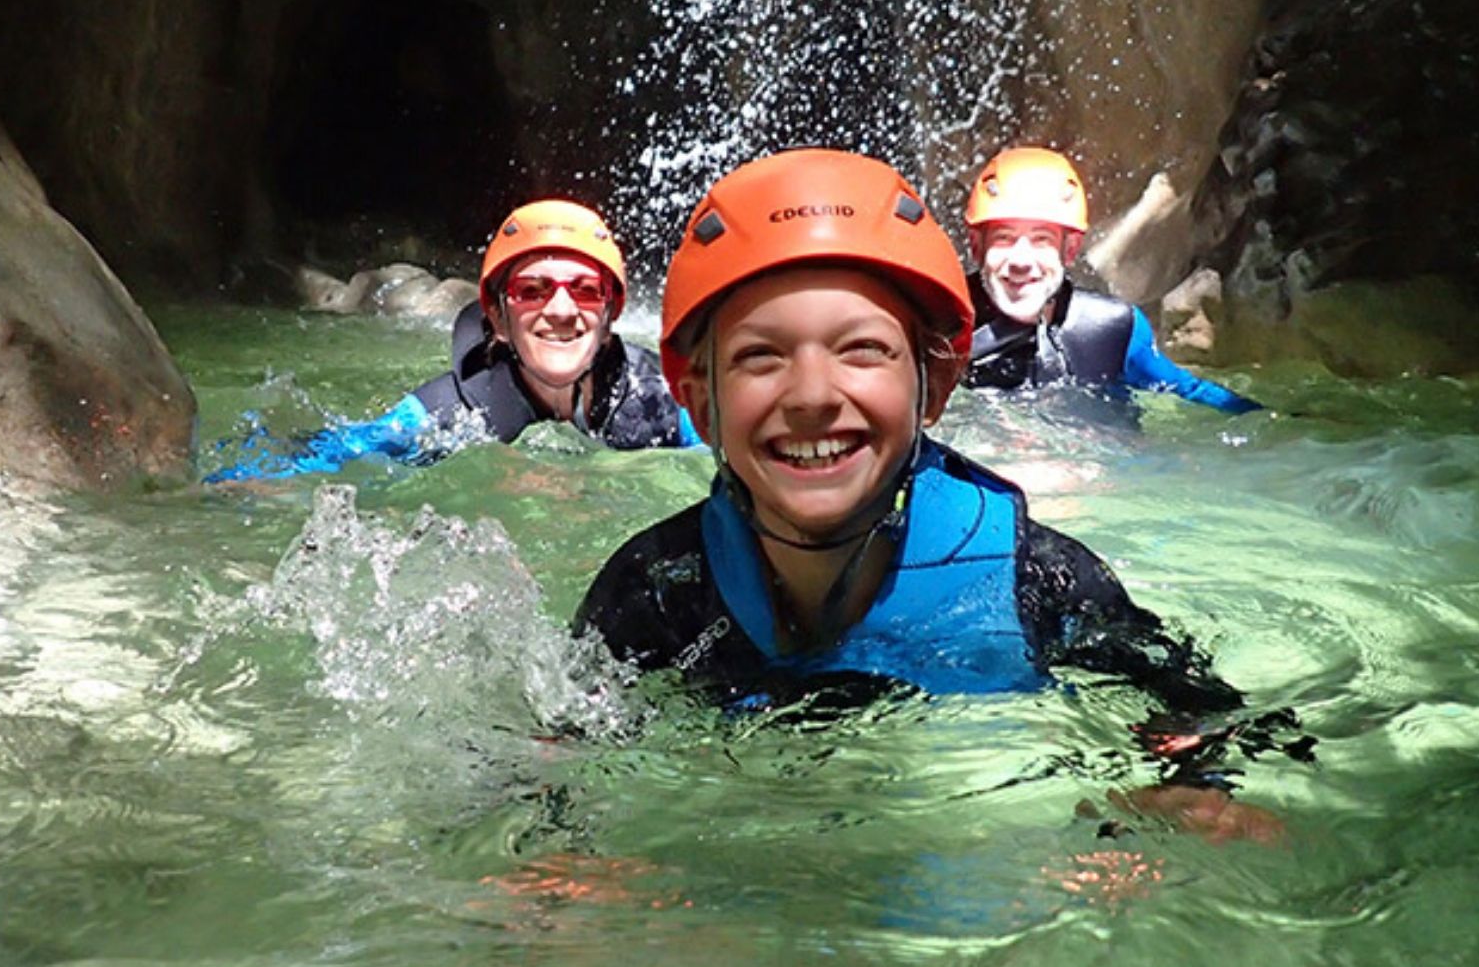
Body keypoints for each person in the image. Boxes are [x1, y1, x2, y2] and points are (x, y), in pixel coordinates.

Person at [574, 150, 1306, 822]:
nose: (811, 395)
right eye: (760, 357)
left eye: (863, 350)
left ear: (936, 386)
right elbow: (555, 762)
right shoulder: (656, 592)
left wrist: (1191, 791)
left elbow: (1210, 718)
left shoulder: (1037, 580)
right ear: (701, 402)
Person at [207, 200, 697, 480]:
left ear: (610, 314)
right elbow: (339, 454)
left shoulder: (667, 401)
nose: (563, 310)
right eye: (533, 290)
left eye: (586, 291)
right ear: (498, 319)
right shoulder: (448, 416)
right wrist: (234, 485)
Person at [962, 146, 1260, 413]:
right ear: (977, 246)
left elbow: (1188, 390)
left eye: (1042, 240)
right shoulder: (940, 323)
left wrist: (1278, 424)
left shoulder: (1110, 330)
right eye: (1004, 239)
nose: (1021, 261)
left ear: (1070, 249)